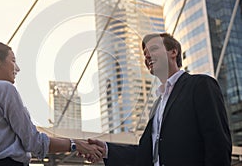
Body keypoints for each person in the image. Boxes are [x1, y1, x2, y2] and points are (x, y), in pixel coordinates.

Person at [88, 33, 232, 166]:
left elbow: (218, 143)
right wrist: (106, 149)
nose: (147, 56)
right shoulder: (158, 105)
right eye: (145, 54)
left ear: (173, 52)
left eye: (154, 49)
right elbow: (146, 154)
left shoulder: (200, 85)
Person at [0, 41, 104, 166]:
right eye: (13, 61)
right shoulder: (4, 89)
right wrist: (75, 145)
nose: (17, 68)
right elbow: (33, 141)